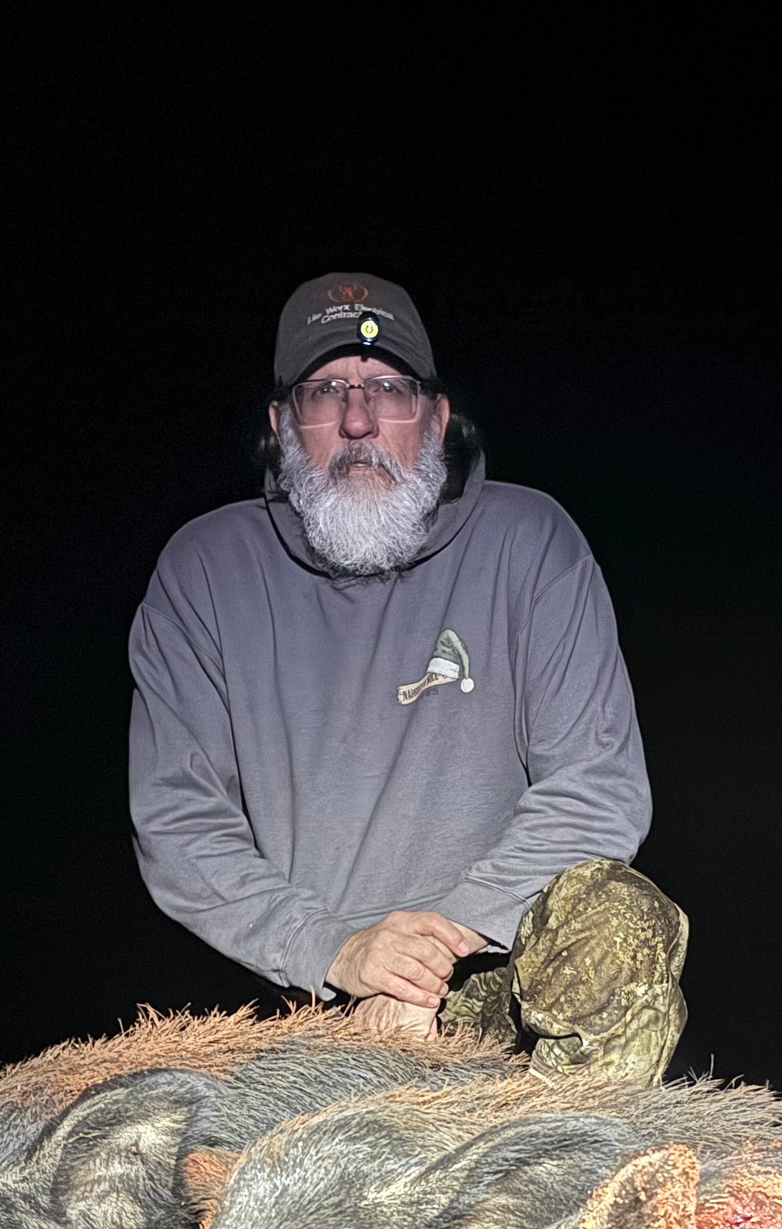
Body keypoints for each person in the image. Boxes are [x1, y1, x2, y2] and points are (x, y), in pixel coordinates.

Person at [125, 272, 688, 1082]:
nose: (359, 420)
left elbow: (598, 787)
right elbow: (179, 822)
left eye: (389, 387)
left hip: (494, 971)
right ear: (284, 425)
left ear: (435, 416)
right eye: (326, 392)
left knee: (622, 919)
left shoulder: (533, 544)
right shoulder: (203, 572)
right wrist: (342, 953)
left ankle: (565, 1178)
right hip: (309, 999)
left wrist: (429, 956)